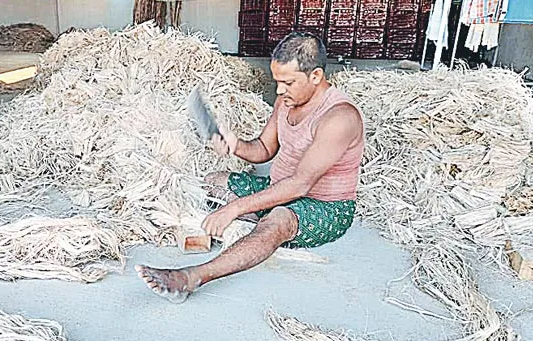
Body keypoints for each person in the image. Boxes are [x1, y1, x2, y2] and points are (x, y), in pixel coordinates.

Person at [136, 32, 365, 303]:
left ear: (315, 76)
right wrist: (234, 144)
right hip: (277, 188)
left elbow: (300, 184)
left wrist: (234, 208)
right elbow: (264, 149)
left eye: (288, 83)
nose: (279, 91)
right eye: (278, 81)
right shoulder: (287, 100)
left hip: (324, 206)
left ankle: (190, 278)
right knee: (214, 181)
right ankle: (255, 223)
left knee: (278, 219)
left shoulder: (340, 117)